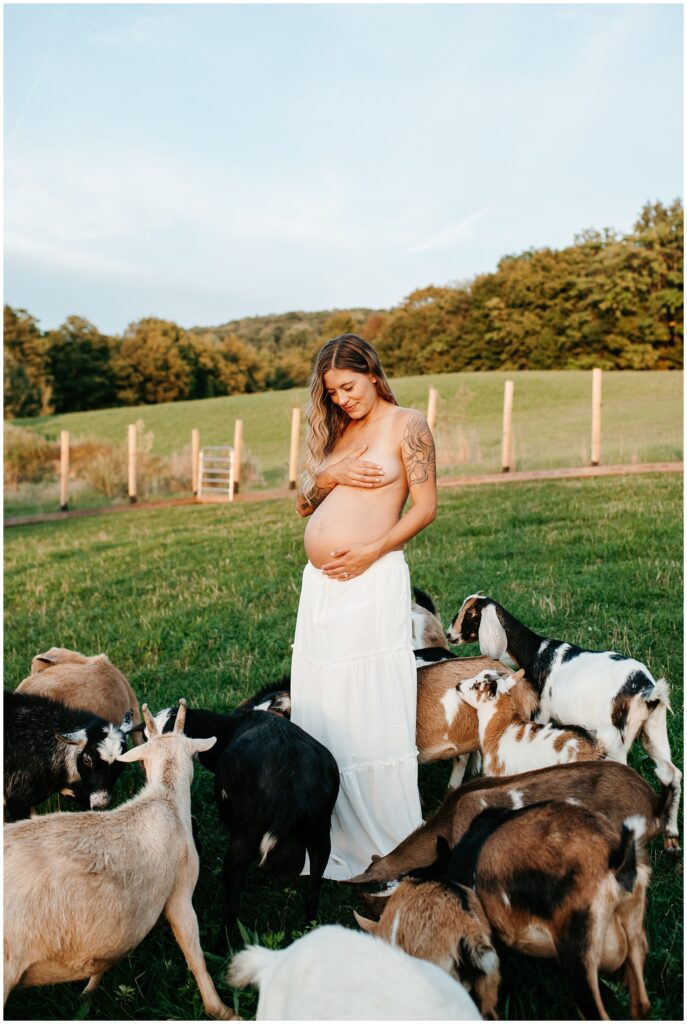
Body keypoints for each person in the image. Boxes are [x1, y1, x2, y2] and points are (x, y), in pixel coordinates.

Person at [290, 334, 437, 880]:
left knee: (367, 702)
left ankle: (382, 838)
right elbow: (303, 502)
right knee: (324, 699)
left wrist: (373, 550)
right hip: (322, 587)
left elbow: (426, 508)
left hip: (371, 578)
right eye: (332, 393)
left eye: (348, 387)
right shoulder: (339, 432)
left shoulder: (408, 424)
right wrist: (328, 475)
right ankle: (324, 830)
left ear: (372, 372)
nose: (343, 399)